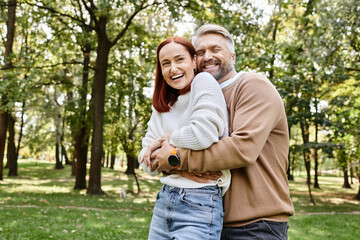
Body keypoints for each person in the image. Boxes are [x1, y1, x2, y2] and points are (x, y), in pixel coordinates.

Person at [151, 24, 295, 240]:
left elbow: (241, 149)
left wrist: (176, 158)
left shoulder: (253, 86)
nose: (207, 57)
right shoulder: (197, 98)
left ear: (233, 56)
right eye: (200, 52)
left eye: (216, 49)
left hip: (257, 223)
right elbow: (155, 151)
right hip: (209, 218)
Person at [138, 36, 231, 240]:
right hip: (164, 201)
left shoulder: (204, 82)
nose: (173, 69)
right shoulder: (164, 104)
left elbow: (203, 134)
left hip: (199, 203)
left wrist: (165, 141)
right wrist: (178, 166)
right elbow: (144, 160)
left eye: (179, 59)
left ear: (193, 62)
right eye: (166, 63)